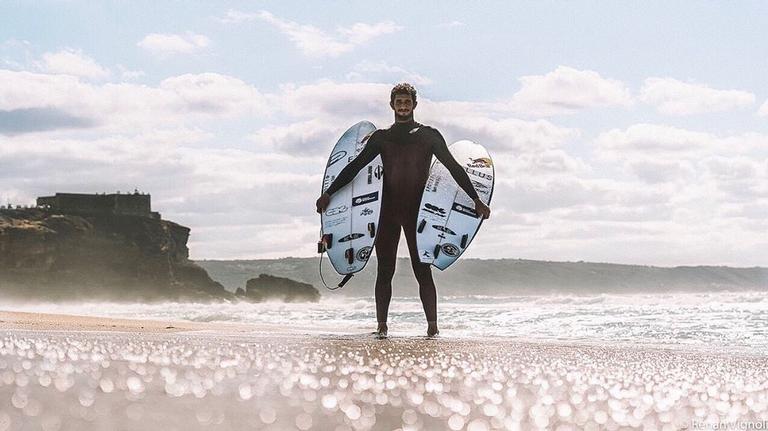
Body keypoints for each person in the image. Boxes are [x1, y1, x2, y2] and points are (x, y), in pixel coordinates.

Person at [316, 83, 490, 337]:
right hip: (386, 210)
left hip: (418, 212)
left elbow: (453, 167)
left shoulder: (429, 136)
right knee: (385, 270)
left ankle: (433, 328)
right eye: (399, 101)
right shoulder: (381, 138)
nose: (403, 106)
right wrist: (328, 193)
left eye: (407, 101)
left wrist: (476, 198)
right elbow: (354, 168)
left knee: (423, 269)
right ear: (392, 105)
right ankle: (382, 327)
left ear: (415, 105)